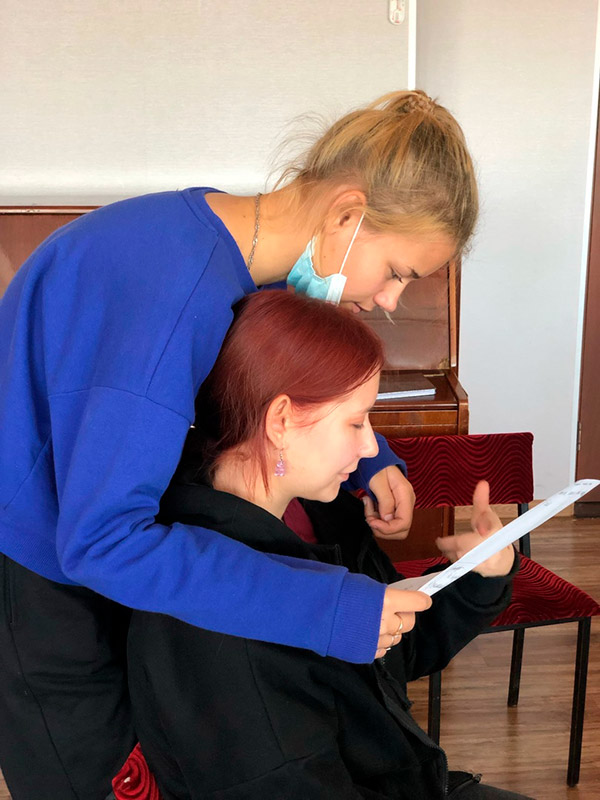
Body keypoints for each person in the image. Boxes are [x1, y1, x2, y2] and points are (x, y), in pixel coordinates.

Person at [0, 90, 477, 799]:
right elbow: (101, 543)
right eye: (398, 273)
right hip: (44, 578)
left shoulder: (236, 250)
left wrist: (371, 460)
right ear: (347, 215)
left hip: (104, 549)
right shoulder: (165, 297)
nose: (390, 302)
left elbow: (278, 384)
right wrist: (326, 607)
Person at [126, 290, 529, 800]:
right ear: (281, 421)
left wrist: (478, 578)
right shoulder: (208, 614)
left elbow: (391, 656)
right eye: (356, 422)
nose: (371, 448)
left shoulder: (322, 515)